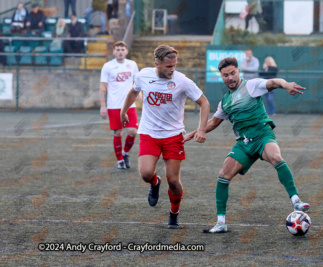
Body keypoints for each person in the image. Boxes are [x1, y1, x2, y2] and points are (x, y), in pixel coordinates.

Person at [183, 57, 310, 233]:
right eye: (226, 75)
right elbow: (212, 122)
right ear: (222, 77)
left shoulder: (251, 86)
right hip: (244, 143)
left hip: (263, 135)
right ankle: (221, 223)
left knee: (275, 156)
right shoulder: (225, 102)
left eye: (233, 73)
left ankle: (296, 201)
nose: (230, 78)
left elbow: (273, 82)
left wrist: (286, 84)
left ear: (238, 72)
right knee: (223, 175)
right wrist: (192, 134)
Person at [120, 44, 210, 229]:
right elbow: (134, 91)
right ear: (157, 64)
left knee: (174, 180)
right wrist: (124, 111)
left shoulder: (182, 81)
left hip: (173, 136)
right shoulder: (144, 75)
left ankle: (174, 214)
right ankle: (155, 183)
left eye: (174, 65)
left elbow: (204, 102)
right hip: (149, 133)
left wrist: (201, 129)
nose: (172, 69)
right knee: (145, 174)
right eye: (168, 66)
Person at [100, 41, 140, 170]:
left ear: (126, 51)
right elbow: (103, 87)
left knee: (133, 131)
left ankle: (125, 152)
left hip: (129, 105)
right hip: (113, 105)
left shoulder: (132, 64)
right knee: (118, 133)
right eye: (117, 49)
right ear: (113, 52)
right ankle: (120, 160)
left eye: (122, 49)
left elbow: (137, 81)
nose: (120, 51)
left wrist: (140, 93)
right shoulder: (108, 66)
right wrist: (103, 105)